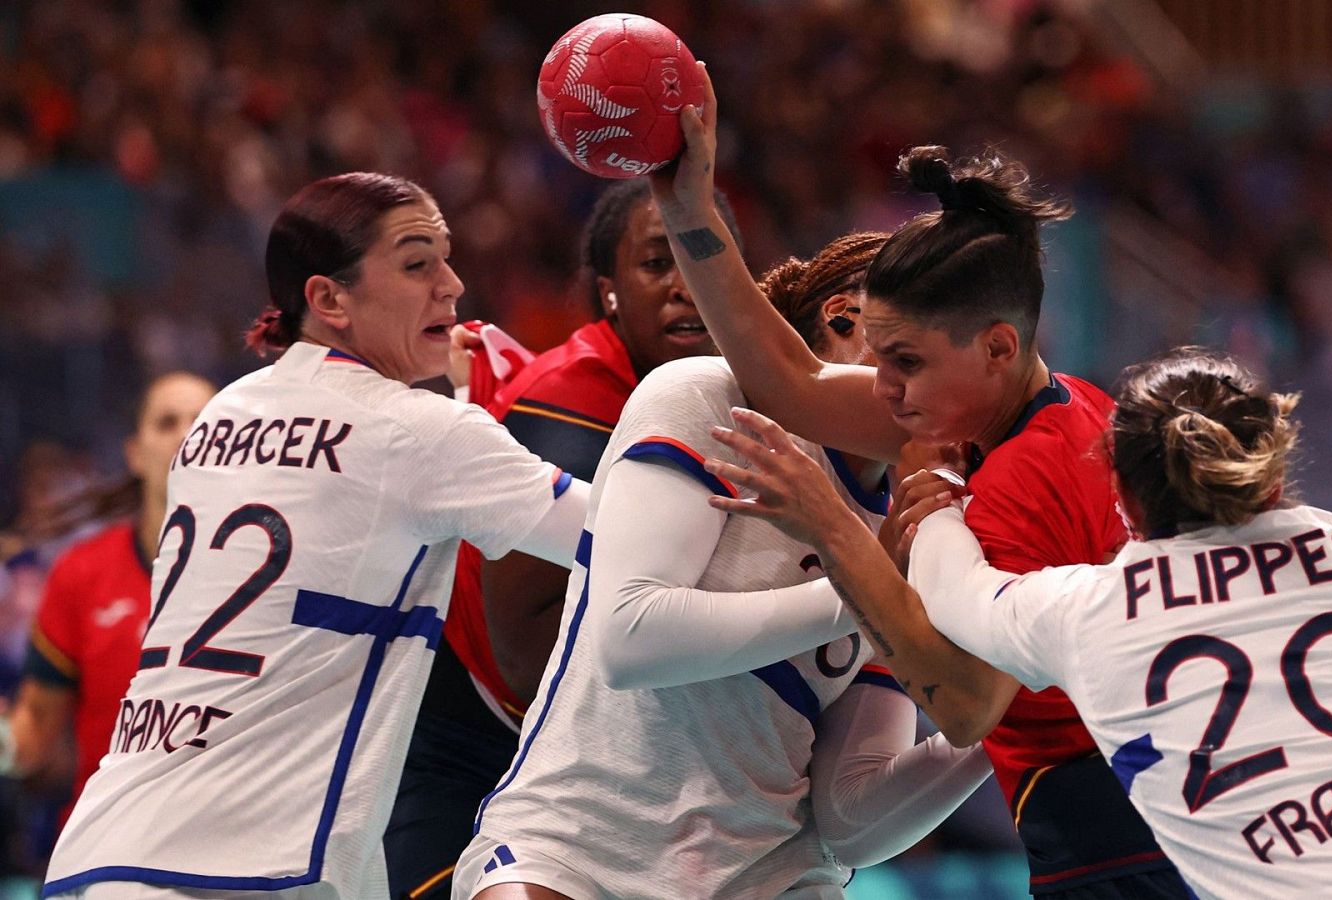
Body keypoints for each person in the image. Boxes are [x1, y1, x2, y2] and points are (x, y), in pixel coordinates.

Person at [649, 65, 1184, 895]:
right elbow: (791, 380)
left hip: (1119, 836)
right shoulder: (1042, 406)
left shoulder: (1023, 483)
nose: (883, 386)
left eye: (905, 362)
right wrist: (691, 211)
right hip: (1151, 801)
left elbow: (966, 706)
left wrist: (833, 529)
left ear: (998, 347)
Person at [43, 172, 589, 900]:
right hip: (239, 868)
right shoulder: (418, 432)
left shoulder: (222, 413)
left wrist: (468, 405)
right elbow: (623, 539)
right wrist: (502, 406)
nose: (452, 285)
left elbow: (357, 503)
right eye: (417, 262)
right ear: (329, 299)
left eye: (447, 258)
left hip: (106, 845)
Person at [896, 349, 1332, 897]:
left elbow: (956, 593)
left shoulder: (1088, 611)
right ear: (1272, 471)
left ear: (1123, 500)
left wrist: (935, 495)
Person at [456, 232, 993, 900]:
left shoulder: (924, 533)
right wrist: (869, 585)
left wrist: (1006, 710)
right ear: (843, 318)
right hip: (576, 847)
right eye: (924, 354)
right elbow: (632, 638)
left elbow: (850, 821)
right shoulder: (710, 396)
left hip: (774, 876)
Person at [386, 179, 742, 900]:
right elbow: (526, 657)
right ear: (609, 292)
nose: (684, 285)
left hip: (580, 752)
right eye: (657, 263)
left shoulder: (742, 391)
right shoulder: (568, 409)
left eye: (701, 254)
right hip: (464, 747)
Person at [3, 372, 216, 827]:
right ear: (135, 453)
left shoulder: (275, 569)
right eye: (167, 422)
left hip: (226, 845)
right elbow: (31, 736)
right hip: (104, 844)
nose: (186, 434)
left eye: (203, 422)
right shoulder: (81, 573)